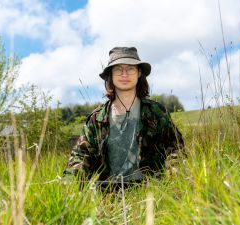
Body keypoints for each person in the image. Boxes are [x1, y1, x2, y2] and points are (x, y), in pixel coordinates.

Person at [64, 47, 184, 190]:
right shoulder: (97, 119)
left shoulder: (156, 112)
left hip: (152, 193)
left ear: (139, 73)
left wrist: (174, 177)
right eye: (118, 69)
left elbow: (176, 148)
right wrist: (69, 183)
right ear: (111, 75)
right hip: (108, 198)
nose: (124, 74)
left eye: (130, 68)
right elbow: (81, 156)